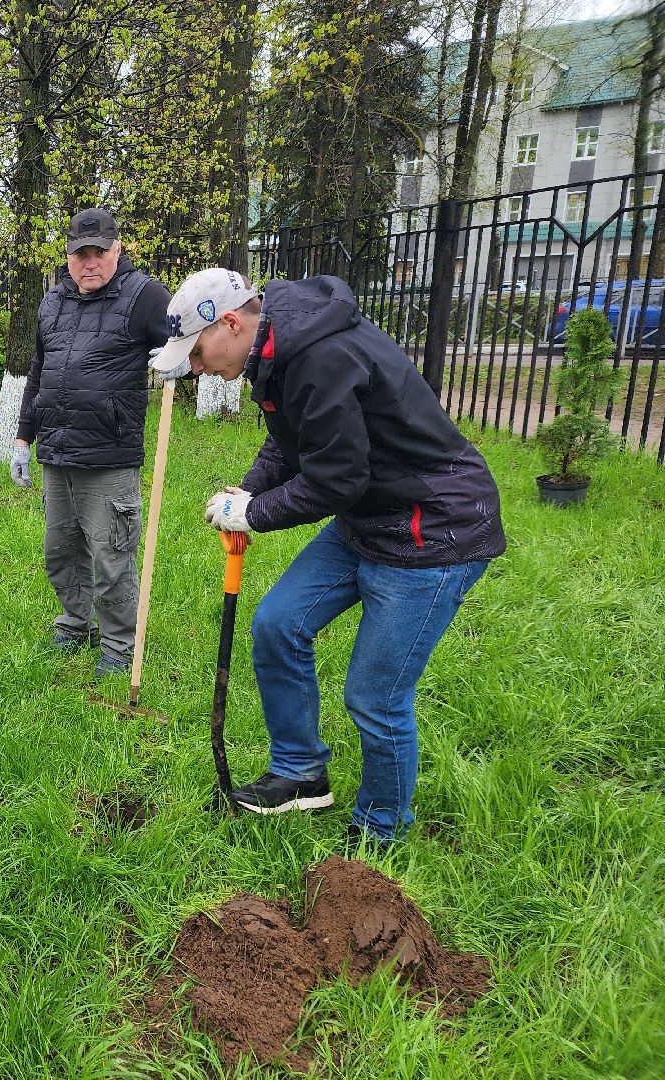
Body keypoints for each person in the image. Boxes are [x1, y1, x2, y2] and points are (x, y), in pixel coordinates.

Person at [154, 268, 507, 847]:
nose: (196, 368)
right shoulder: (276, 351)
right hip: (372, 515)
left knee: (376, 696)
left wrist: (257, 514)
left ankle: (380, 831)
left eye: (195, 353)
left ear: (231, 323)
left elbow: (337, 480)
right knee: (278, 624)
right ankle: (299, 774)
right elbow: (290, 440)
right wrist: (250, 491)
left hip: (432, 530)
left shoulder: (321, 355)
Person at [9, 208, 171, 677]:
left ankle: (119, 646)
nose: (90, 262)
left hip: (109, 457)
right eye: (81, 254)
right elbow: (38, 374)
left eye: (99, 252)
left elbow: (186, 338)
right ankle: (74, 623)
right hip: (57, 453)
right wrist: (24, 437)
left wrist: (181, 356)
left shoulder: (143, 296)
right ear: (68, 256)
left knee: (111, 555)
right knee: (61, 550)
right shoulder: (52, 302)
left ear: (117, 251)